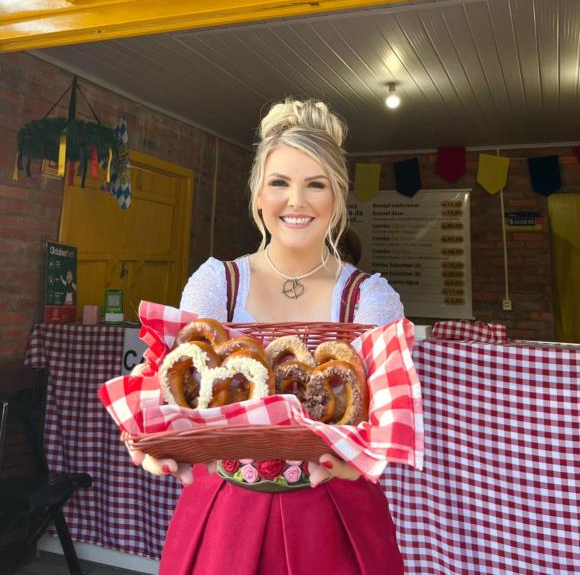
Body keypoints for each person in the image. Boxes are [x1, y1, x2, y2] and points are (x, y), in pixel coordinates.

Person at [129, 98, 406, 574]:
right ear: (258, 194)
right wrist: (144, 429)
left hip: (333, 513)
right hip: (225, 514)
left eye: (315, 185)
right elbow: (178, 391)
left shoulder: (370, 300)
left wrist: (365, 460)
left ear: (337, 198)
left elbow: (388, 418)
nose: (295, 201)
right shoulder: (217, 283)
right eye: (279, 183)